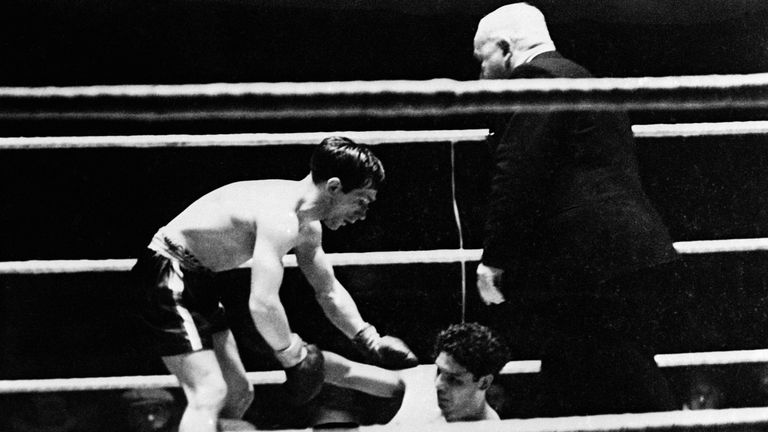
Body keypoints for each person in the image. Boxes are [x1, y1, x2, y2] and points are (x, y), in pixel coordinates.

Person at [472, 3, 686, 416]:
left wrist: (494, 259)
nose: (480, 74)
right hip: (622, 255)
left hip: (597, 263)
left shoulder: (536, 79)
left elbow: (517, 172)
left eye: (483, 61)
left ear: (505, 49)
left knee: (622, 369)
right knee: (568, 372)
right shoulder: (582, 78)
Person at [129, 136, 418, 432]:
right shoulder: (281, 217)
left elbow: (328, 290)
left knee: (238, 394)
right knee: (208, 392)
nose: (363, 213)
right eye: (361, 200)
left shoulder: (307, 227)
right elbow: (263, 302)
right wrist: (294, 355)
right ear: (333, 187)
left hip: (198, 280)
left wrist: (368, 339)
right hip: (165, 276)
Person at [322, 322, 510, 425]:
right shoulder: (423, 380)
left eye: (454, 379)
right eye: (440, 371)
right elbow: (345, 372)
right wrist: (297, 355)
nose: (438, 384)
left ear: (484, 382)